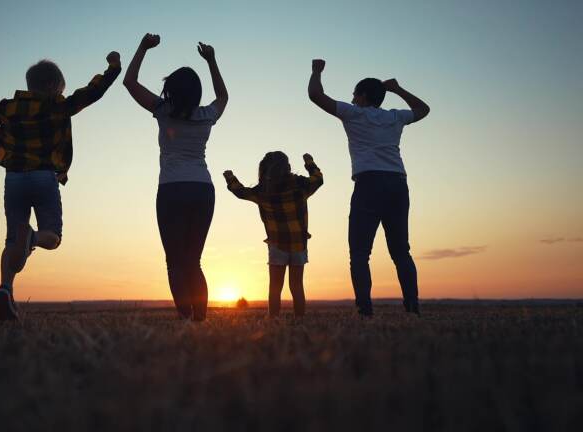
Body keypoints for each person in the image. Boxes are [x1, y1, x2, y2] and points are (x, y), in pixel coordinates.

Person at [0, 52, 121, 320]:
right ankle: (32, 238)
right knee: (52, 236)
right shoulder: (58, 106)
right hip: (43, 177)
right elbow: (94, 91)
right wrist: (113, 66)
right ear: (55, 87)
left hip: (14, 179)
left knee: (11, 240)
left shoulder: (8, 107)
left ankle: (5, 288)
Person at [307, 59, 430, 317]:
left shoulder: (355, 113)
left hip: (369, 184)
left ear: (362, 96)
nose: (351, 100)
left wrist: (317, 70)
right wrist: (398, 89)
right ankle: (412, 307)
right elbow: (423, 109)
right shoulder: (395, 116)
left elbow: (315, 95)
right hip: (397, 184)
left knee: (360, 253)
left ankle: (365, 310)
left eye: (354, 95)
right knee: (401, 251)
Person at [123, 33, 228, 321]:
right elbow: (223, 96)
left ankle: (186, 319)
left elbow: (129, 82)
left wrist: (142, 47)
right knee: (193, 260)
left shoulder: (163, 111)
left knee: (175, 262)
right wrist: (212, 61)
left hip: (171, 190)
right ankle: (200, 320)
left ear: (170, 90)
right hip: (202, 189)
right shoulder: (207, 114)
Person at [224, 152, 323, 317]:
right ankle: (300, 321)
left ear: (264, 170)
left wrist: (230, 178)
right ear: (288, 168)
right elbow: (318, 179)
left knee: (275, 287)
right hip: (299, 244)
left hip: (277, 245)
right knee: (297, 286)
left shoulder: (263, 191)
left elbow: (241, 192)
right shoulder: (300, 185)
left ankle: (273, 320)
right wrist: (309, 162)